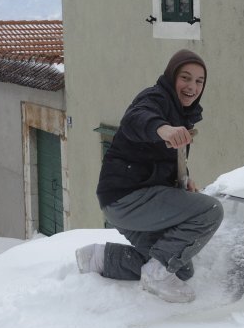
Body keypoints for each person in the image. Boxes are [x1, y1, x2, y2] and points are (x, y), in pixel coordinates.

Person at [74, 49, 224, 303]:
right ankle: (157, 274)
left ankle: (97, 258)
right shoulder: (156, 99)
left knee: (181, 267)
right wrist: (162, 129)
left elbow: (161, 159)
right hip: (129, 197)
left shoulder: (181, 113)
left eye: (199, 81)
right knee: (211, 210)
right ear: (171, 76)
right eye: (185, 78)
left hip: (122, 202)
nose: (192, 86)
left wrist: (185, 177)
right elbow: (137, 119)